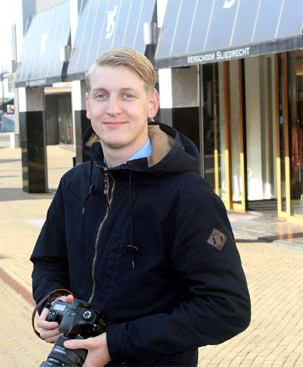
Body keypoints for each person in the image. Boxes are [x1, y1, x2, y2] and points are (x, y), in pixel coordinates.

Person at [30, 48, 251, 367]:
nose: (113, 109)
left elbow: (226, 308)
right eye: (102, 95)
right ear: (89, 105)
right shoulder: (74, 184)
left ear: (152, 104)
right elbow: (48, 259)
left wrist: (117, 343)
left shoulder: (189, 197)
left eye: (128, 95)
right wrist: (50, 302)